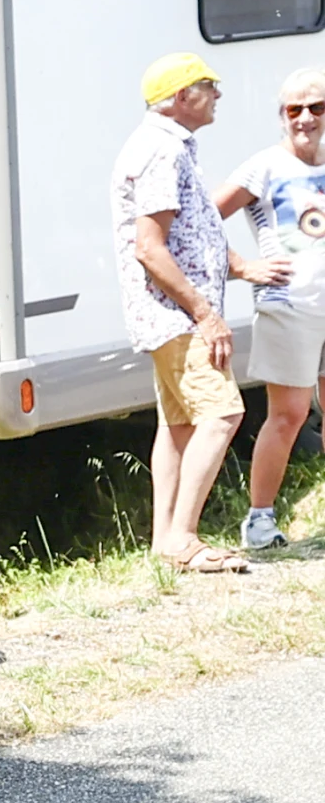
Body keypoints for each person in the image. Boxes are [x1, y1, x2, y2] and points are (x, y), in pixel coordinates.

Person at [118, 56, 271, 577]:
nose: (218, 96)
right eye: (210, 87)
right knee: (223, 413)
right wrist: (205, 313)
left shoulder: (166, 145)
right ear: (183, 96)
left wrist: (242, 267)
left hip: (164, 316)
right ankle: (184, 537)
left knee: (180, 424)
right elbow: (151, 247)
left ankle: (165, 539)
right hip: (177, 316)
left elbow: (195, 232)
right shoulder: (163, 150)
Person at [219, 67, 325, 553]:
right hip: (290, 306)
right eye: (295, 109)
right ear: (281, 115)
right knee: (289, 415)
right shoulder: (263, 166)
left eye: (317, 108)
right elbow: (199, 219)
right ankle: (259, 521)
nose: (306, 118)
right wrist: (241, 266)